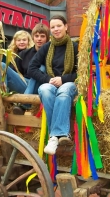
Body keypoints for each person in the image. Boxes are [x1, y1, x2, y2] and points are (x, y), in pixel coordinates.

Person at [28, 15, 78, 155]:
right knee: (44, 89)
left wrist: (63, 79)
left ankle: (55, 135)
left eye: (59, 26)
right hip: (51, 83)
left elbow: (82, 72)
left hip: (70, 83)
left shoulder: (75, 46)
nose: (56, 29)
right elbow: (31, 68)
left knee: (64, 90)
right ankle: (58, 136)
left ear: (66, 27)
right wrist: (47, 79)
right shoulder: (46, 47)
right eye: (53, 27)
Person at [0, 24, 50, 113]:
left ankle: (24, 105)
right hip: (25, 85)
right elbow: (14, 74)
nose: (39, 39)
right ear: (33, 37)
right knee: (1, 65)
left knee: (41, 68)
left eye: (42, 36)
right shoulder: (24, 54)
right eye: (37, 36)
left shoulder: (51, 54)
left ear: (47, 38)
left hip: (41, 87)